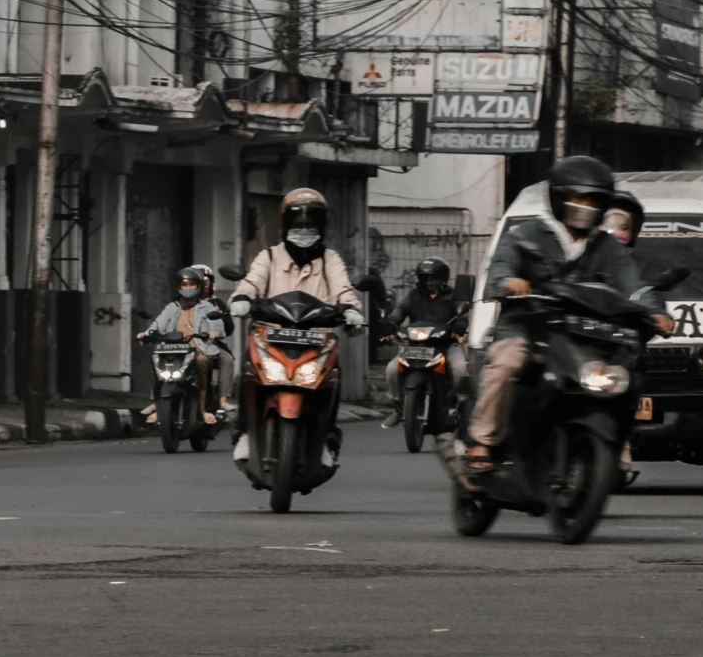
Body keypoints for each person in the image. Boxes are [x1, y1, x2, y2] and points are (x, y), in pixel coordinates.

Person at [465, 156, 669, 477]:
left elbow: (633, 284)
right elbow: (500, 268)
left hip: (584, 337)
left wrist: (657, 312)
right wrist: (509, 282)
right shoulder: (524, 235)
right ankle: (484, 440)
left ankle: (614, 449)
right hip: (526, 329)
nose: (586, 207)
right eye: (579, 199)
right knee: (506, 364)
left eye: (594, 202)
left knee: (622, 378)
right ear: (559, 197)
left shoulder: (607, 245)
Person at [228, 187, 364, 439]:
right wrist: (242, 298)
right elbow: (252, 282)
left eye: (311, 223)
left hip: (317, 339)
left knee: (335, 372)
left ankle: (328, 433)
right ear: (285, 224)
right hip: (272, 336)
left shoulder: (330, 260)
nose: (304, 229)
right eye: (298, 223)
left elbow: (343, 289)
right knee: (248, 369)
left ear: (322, 226)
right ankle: (244, 432)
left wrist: (351, 310)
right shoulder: (268, 256)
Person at [137, 264, 227, 428]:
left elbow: (217, 325)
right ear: (179, 287)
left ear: (199, 287)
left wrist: (214, 332)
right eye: (184, 284)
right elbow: (159, 324)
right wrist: (146, 334)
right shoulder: (173, 307)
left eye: (192, 284)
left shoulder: (207, 307)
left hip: (199, 350)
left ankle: (202, 410)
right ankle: (159, 407)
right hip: (173, 350)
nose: (188, 288)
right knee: (155, 361)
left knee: (201, 363)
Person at [381, 257, 464, 429]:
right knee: (391, 370)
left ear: (443, 279)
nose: (428, 282)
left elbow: (463, 313)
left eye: (432, 278)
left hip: (446, 345)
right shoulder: (413, 295)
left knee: (460, 369)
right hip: (416, 346)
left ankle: (461, 409)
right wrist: (390, 325)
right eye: (424, 278)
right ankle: (398, 407)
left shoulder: (453, 295)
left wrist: (461, 324)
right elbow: (400, 311)